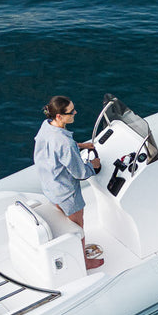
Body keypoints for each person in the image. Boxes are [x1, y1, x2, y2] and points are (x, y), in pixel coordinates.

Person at [33, 96, 104, 270]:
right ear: (59, 116)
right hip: (67, 193)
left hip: (50, 187)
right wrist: (93, 165)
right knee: (77, 226)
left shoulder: (46, 126)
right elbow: (80, 173)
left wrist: (78, 145)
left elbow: (53, 147)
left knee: (63, 217)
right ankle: (84, 262)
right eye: (71, 112)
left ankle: (72, 250)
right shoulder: (65, 143)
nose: (75, 113)